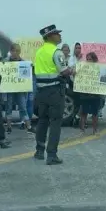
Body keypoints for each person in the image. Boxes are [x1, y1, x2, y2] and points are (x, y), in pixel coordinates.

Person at [34, 24, 72, 165]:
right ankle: (51, 155)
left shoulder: (39, 52)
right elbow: (63, 71)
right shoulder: (57, 52)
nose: (60, 36)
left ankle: (39, 150)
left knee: (42, 120)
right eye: (57, 34)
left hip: (41, 91)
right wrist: (72, 71)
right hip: (55, 91)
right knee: (55, 122)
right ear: (50, 36)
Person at [4, 43, 35, 134]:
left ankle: (28, 126)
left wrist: (30, 68)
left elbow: (26, 77)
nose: (15, 53)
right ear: (10, 51)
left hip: (20, 89)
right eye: (13, 51)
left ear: (19, 52)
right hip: (9, 88)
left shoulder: (23, 62)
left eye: (17, 51)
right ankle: (9, 127)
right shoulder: (5, 62)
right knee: (8, 107)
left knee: (23, 107)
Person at [76, 52, 103, 135]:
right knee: (83, 113)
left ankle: (95, 130)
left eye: (90, 59)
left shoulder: (99, 68)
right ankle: (82, 130)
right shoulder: (82, 68)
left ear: (94, 60)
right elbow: (76, 74)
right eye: (87, 59)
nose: (88, 61)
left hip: (95, 95)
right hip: (85, 94)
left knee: (95, 114)